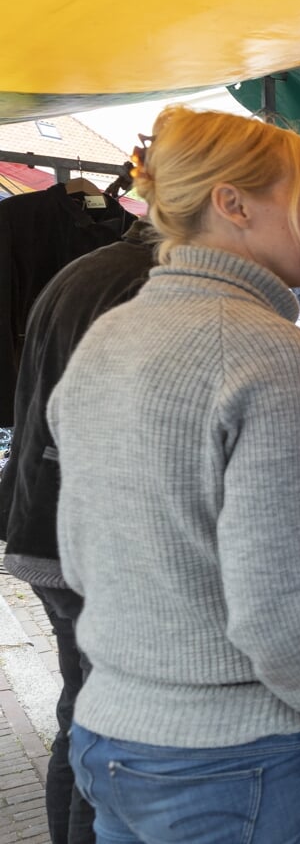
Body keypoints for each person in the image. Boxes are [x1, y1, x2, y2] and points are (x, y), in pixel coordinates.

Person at [47, 106, 300, 843]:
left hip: (111, 738)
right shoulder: (275, 356)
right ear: (231, 203)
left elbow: (77, 554)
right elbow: (280, 601)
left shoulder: (108, 336)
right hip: (235, 761)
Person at [0, 219, 157, 844]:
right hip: (86, 541)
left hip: (45, 524)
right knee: (108, 729)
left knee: (82, 712)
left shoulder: (89, 267)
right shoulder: (148, 285)